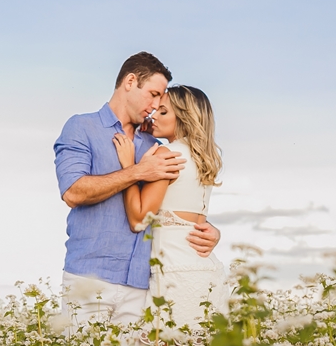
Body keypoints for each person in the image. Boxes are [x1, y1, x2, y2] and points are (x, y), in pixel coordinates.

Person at [54, 52, 221, 325]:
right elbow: (74, 192)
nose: (156, 105)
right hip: (90, 276)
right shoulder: (82, 127)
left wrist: (207, 229)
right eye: (154, 94)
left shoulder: (155, 145)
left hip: (142, 284)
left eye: (162, 100)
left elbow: (169, 204)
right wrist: (136, 171)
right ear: (130, 82)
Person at [113, 85, 228, 328]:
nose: (154, 115)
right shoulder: (201, 158)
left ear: (184, 118)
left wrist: (129, 168)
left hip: (174, 272)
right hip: (206, 271)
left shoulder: (168, 154)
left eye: (163, 112)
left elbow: (139, 220)